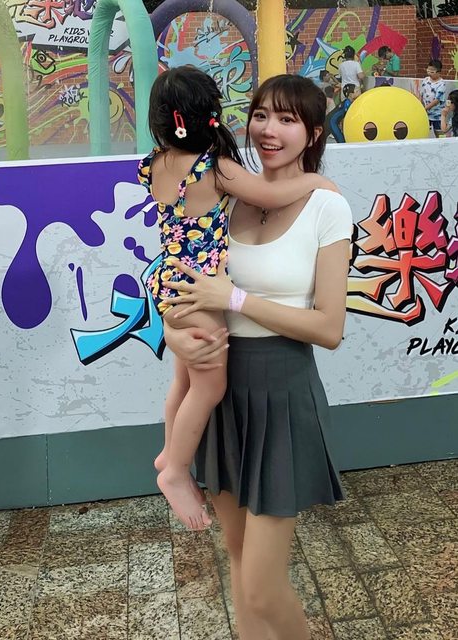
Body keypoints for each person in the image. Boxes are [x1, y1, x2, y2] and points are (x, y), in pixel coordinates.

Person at [161, 74, 353, 640]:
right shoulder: (227, 193)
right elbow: (185, 284)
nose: (269, 130)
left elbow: (329, 328)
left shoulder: (327, 206)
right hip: (222, 390)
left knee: (263, 588)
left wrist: (237, 299)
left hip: (281, 393)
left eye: (288, 120)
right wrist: (174, 336)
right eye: (261, 115)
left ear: (313, 133)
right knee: (239, 561)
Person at [141, 66, 334, 531]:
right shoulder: (215, 167)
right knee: (209, 387)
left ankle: (168, 451)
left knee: (183, 380)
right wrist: (315, 183)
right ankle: (175, 470)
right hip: (202, 288)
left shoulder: (155, 162)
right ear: (207, 115)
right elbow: (268, 193)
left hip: (170, 282)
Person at [420, 59, 446, 136]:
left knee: (439, 134)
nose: (429, 73)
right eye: (428, 70)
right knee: (423, 132)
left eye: (432, 72)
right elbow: (422, 94)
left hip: (437, 114)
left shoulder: (441, 84)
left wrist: (425, 108)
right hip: (425, 113)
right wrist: (421, 106)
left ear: (438, 72)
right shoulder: (425, 80)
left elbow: (437, 100)